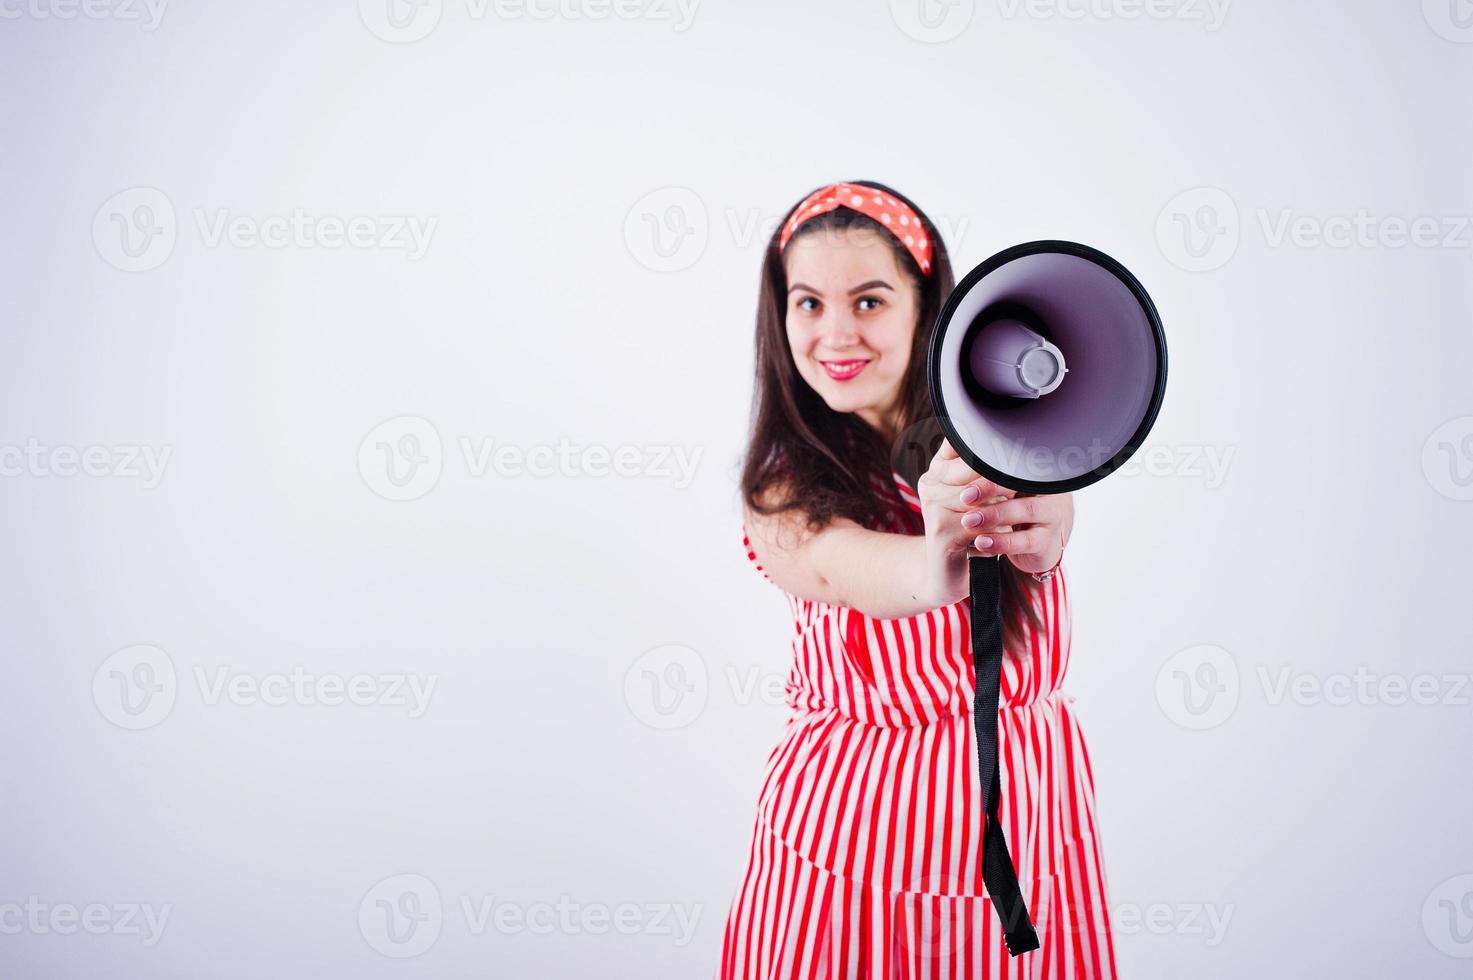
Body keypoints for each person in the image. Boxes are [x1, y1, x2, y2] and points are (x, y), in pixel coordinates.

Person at [717, 181, 1116, 979]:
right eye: (807, 303)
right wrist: (941, 557)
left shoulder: (1009, 446)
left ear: (924, 307)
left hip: (1029, 827)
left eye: (868, 301)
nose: (834, 333)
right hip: (850, 847)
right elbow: (853, 567)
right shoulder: (780, 489)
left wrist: (1047, 523)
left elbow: (1042, 542)